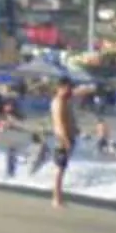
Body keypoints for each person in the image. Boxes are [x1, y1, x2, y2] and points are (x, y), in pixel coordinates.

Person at [48, 79, 78, 208]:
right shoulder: (59, 102)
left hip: (66, 137)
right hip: (61, 139)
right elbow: (59, 123)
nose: (71, 91)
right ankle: (56, 199)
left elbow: (68, 119)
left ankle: (58, 197)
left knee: (62, 168)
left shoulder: (65, 101)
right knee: (60, 169)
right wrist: (66, 140)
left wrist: (75, 129)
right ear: (61, 87)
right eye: (69, 88)